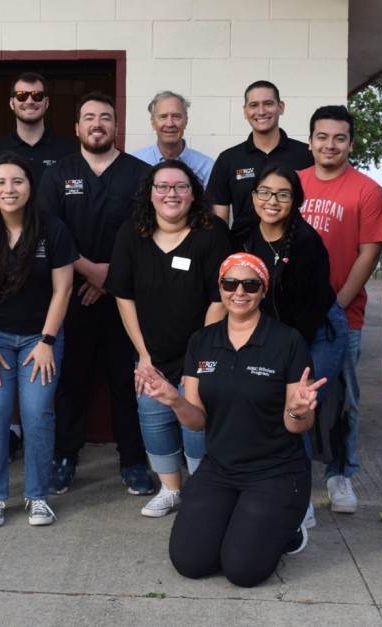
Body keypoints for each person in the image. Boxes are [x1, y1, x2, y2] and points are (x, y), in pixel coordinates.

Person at [138, 253, 324, 587]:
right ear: (220, 288)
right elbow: (197, 422)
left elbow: (297, 425)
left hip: (275, 471)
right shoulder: (202, 341)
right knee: (190, 562)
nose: (239, 292)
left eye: (250, 284)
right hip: (220, 468)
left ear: (263, 290)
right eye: (230, 283)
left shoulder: (287, 341)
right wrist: (175, 400)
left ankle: (287, 527)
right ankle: (243, 520)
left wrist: (298, 407)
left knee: (242, 571)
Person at [38, 91, 153, 496]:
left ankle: (133, 461)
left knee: (127, 382)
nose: (97, 124)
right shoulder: (58, 174)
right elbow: (49, 232)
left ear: (116, 126)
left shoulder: (141, 173)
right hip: (70, 297)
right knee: (71, 381)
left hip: (124, 301)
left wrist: (111, 280)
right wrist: (90, 272)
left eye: (105, 117)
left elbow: (147, 233)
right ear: (77, 127)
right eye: (89, 117)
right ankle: (65, 458)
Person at [104, 160, 231, 517]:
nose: (171, 194)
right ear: (149, 193)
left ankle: (204, 490)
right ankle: (170, 490)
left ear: (194, 193)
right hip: (151, 352)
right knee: (153, 414)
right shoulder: (132, 232)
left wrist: (198, 357)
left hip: (200, 350)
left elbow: (218, 297)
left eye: (180, 186)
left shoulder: (212, 232)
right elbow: (123, 295)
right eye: (162, 187)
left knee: (196, 421)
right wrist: (143, 354)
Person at [0, 153, 77, 526]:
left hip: (39, 340)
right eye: (0, 182)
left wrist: (46, 340)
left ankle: (37, 496)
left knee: (37, 413)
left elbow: (64, 288)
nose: (9, 189)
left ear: (30, 186)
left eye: (18, 181)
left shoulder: (52, 229)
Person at [240, 162, 348, 529]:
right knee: (275, 410)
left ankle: (301, 502)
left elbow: (305, 316)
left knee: (295, 409)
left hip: (316, 331)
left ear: (296, 201)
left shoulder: (306, 241)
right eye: (265, 192)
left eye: (283, 194)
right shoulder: (243, 234)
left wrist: (277, 360)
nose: (273, 201)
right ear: (253, 195)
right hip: (274, 333)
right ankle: (277, 487)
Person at [297, 105, 382, 515]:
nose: (329, 144)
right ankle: (294, 474)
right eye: (322, 136)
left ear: (350, 143)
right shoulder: (293, 184)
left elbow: (369, 254)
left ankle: (340, 473)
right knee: (292, 396)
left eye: (339, 137)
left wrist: (335, 307)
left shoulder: (366, 190)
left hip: (341, 316)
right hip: (292, 316)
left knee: (342, 400)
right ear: (310, 140)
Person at [206, 80, 313, 237]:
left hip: (296, 250)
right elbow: (218, 222)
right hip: (243, 252)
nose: (261, 111)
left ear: (281, 107)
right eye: (254, 105)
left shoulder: (306, 155)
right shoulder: (229, 159)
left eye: (268, 103)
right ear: (245, 111)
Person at [0, 72, 77, 184]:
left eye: (37, 96)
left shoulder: (69, 152)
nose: (30, 101)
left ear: (46, 103)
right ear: (12, 103)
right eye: (22, 96)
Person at [130, 91, 214, 186]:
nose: (170, 124)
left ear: (185, 122)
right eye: (163, 117)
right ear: (153, 123)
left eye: (176, 116)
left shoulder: (206, 167)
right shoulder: (134, 162)